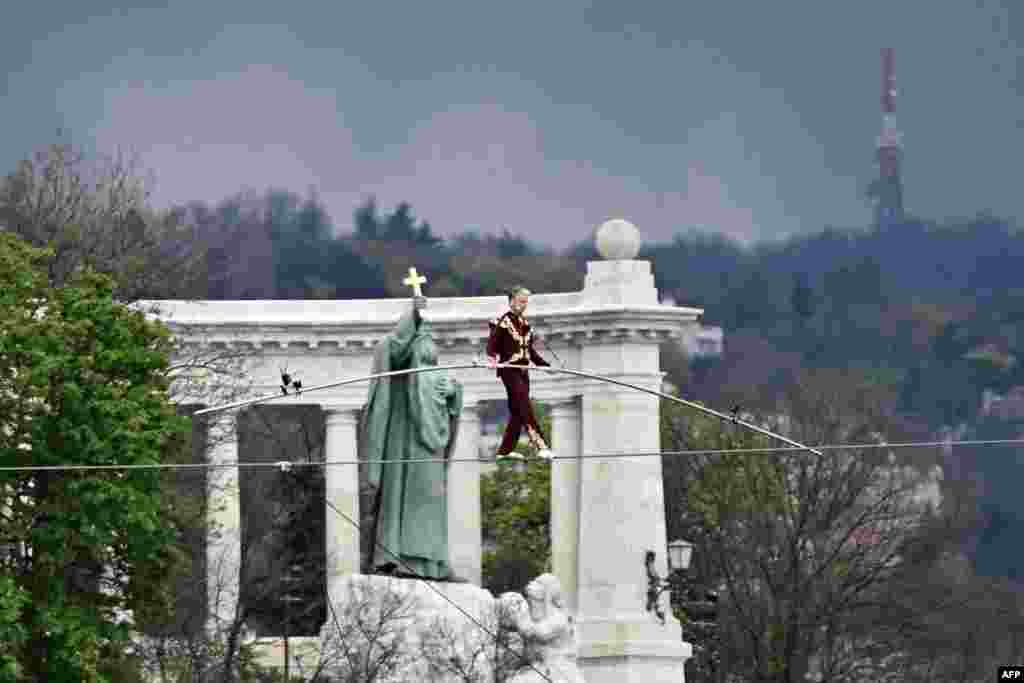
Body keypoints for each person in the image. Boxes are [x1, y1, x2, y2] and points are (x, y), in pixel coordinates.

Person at [359, 295, 464, 580]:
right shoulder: (398, 369)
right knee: (398, 500)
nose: (428, 352)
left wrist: (454, 394)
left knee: (432, 501)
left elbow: (452, 408)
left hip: (430, 455)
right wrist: (413, 317)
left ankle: (433, 562)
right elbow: (389, 348)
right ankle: (394, 560)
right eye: (420, 346)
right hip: (403, 443)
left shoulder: (441, 379)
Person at [486, 286, 553, 460]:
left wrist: (545, 365)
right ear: (511, 301)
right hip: (509, 370)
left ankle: (505, 450)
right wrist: (492, 358)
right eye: (520, 301)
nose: (523, 305)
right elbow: (492, 342)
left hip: (523, 372)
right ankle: (540, 445)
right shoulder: (504, 321)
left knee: (517, 411)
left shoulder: (524, 324)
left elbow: (530, 352)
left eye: (525, 302)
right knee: (525, 406)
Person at [498, 574, 585, 683]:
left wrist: (519, 619)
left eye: (538, 583)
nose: (531, 584)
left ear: (547, 592)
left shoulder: (559, 618)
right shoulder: (532, 616)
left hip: (559, 670)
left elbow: (540, 633)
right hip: (538, 667)